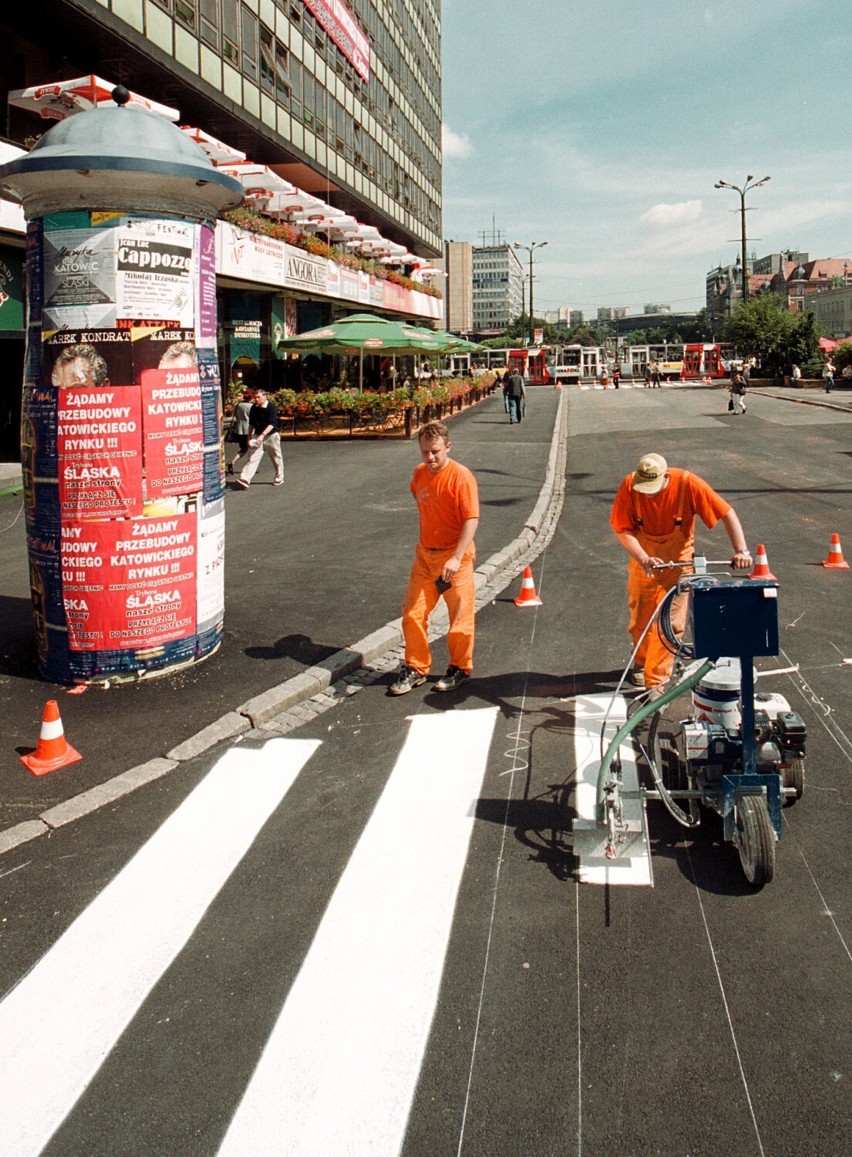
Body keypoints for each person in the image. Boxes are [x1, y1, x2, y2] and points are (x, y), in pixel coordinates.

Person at [610, 453, 752, 691]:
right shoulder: (630, 485)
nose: (649, 494)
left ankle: (656, 684)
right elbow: (623, 529)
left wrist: (741, 550)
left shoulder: (687, 483)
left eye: (653, 488)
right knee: (640, 620)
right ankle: (643, 662)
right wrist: (644, 557)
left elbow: (726, 513)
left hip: (678, 565)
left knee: (668, 625)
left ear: (665, 476)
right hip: (644, 561)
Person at [390, 420, 479, 696]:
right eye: (425, 452)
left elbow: (471, 519)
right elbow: (419, 496)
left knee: (460, 618)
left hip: (456, 560)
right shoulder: (419, 474)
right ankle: (416, 667)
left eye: (436, 452)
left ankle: (460, 668)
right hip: (425, 557)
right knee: (413, 613)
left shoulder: (461, 477)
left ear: (448, 447)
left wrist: (456, 556)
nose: (430, 458)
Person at [235, 387, 283, 488]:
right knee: (253, 457)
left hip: (271, 436)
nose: (256, 399)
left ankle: (279, 477)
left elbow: (272, 424)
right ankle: (245, 479)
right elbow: (251, 423)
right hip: (257, 435)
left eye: (258, 397)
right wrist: (249, 437)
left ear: (264, 396)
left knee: (276, 457)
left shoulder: (271, 407)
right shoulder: (254, 408)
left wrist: (262, 435)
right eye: (255, 397)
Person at [225, 387, 254, 474]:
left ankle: (232, 462)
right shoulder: (251, 407)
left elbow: (235, 416)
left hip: (239, 429)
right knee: (253, 448)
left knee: (243, 448)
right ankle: (250, 466)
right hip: (248, 430)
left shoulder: (238, 405)